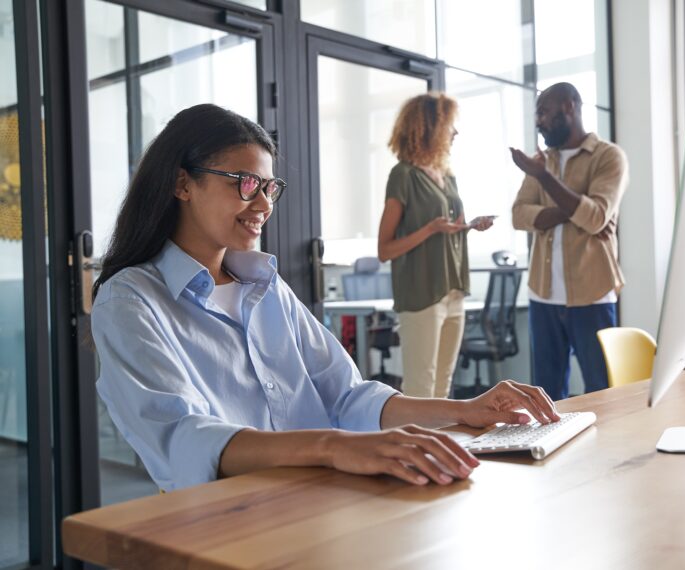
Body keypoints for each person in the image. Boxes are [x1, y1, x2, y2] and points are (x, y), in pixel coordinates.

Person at [91, 103, 557, 493]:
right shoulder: (131, 303)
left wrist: (465, 409)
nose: (264, 205)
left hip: (323, 497)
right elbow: (183, 438)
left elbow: (348, 396)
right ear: (182, 184)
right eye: (245, 183)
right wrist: (336, 446)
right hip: (230, 520)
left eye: (269, 187)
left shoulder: (266, 287)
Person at [509, 83, 628, 400]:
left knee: (601, 391)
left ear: (568, 108)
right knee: (546, 395)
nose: (538, 121)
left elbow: (596, 217)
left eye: (543, 112)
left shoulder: (608, 157)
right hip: (543, 294)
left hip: (593, 293)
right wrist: (573, 208)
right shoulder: (541, 160)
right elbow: (519, 215)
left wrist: (546, 180)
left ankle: (607, 451)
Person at [377, 93, 493, 399]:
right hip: (421, 292)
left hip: (453, 289)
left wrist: (470, 225)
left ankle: (440, 446)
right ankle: (413, 448)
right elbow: (384, 249)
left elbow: (452, 227)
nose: (455, 133)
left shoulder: (447, 176)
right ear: (428, 128)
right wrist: (429, 229)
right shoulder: (402, 176)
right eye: (449, 126)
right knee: (420, 388)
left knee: (443, 386)